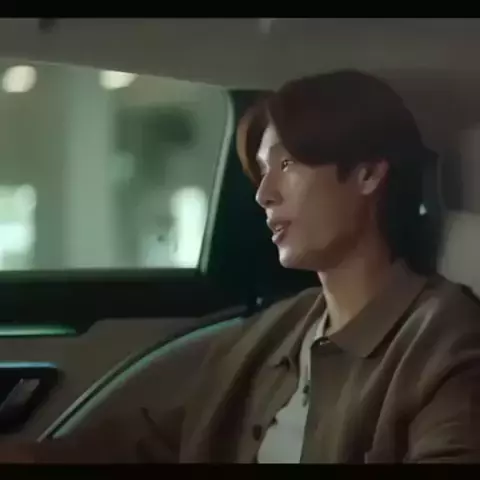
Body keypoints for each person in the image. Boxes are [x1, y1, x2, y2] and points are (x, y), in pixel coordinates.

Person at [2, 69, 480, 463]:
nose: (263, 194)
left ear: (368, 174)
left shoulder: (445, 337)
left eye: (286, 165)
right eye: (263, 171)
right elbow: (164, 441)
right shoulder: (278, 330)